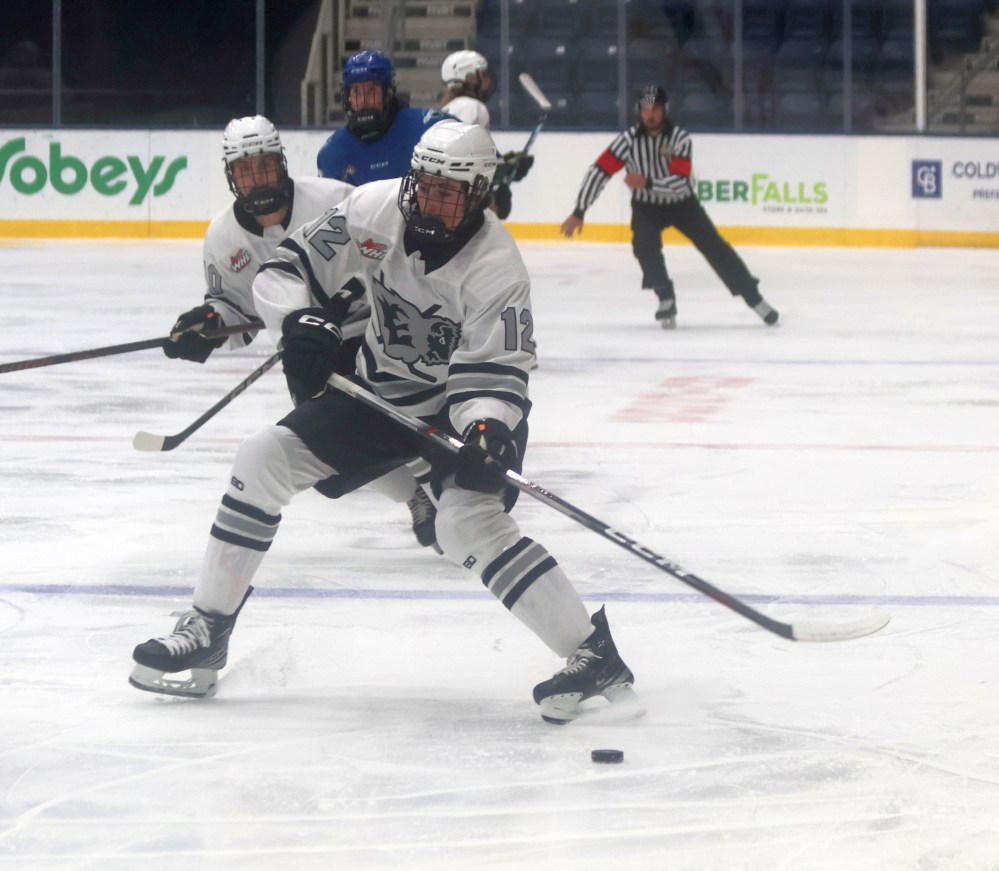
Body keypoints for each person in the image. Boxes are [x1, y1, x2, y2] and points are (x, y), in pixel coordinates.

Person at [129, 121, 637, 726]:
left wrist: (485, 427)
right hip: (375, 391)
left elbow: (498, 366)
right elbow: (283, 271)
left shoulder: (497, 265)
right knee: (262, 459)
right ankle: (208, 626)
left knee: (465, 525)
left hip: (458, 406)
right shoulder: (372, 207)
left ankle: (592, 652)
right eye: (424, 185)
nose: (431, 202)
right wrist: (297, 322)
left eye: (449, 193)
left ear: (478, 193)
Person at [161, 114, 437, 550]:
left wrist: (363, 288)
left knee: (404, 413)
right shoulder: (223, 238)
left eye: (264, 165)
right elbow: (235, 310)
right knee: (338, 447)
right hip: (310, 352)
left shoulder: (332, 198)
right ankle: (418, 496)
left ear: (281, 162)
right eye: (245, 169)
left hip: (377, 326)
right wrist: (210, 327)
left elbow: (392, 246)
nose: (257, 177)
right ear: (232, 176)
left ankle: (435, 480)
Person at [560, 85, 779, 330]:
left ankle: (755, 299)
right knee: (644, 247)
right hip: (646, 207)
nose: (649, 114)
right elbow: (599, 172)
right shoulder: (627, 140)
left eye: (655, 109)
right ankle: (665, 295)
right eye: (645, 109)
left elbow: (680, 183)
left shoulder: (680, 139)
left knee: (716, 248)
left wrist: (648, 182)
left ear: (665, 110)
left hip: (683, 205)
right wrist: (580, 210)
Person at [316, 50, 454, 185]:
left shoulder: (430, 128)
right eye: (356, 91)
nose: (363, 100)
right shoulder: (332, 154)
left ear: (388, 92)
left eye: (371, 90)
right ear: (348, 97)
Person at [438, 51, 534, 222]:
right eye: (481, 74)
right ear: (467, 78)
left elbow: (467, 155)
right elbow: (460, 156)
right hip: (457, 203)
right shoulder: (472, 106)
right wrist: (501, 170)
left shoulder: (452, 107)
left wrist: (502, 165)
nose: (487, 80)